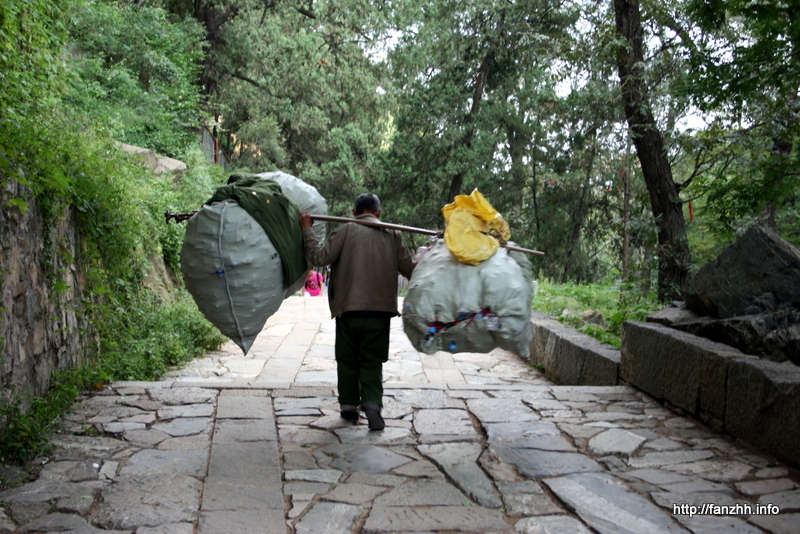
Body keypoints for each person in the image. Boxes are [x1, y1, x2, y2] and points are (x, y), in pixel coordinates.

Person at [299, 193, 415, 430]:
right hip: (380, 312)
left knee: (347, 360)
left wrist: (307, 229)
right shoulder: (393, 234)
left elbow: (318, 257)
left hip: (349, 310)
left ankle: (349, 406)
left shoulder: (344, 230)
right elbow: (410, 270)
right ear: (379, 213)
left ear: (354, 212)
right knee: (372, 361)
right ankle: (372, 402)